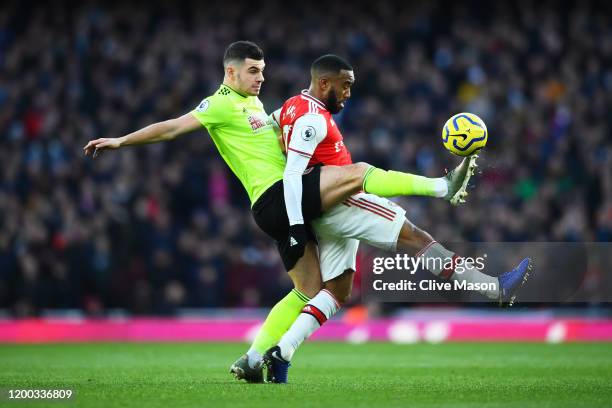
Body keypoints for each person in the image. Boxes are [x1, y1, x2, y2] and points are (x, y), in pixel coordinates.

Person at [82, 41, 478, 383]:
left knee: (309, 290)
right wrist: (121, 141)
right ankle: (442, 187)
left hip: (281, 202)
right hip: (279, 196)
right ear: (230, 72)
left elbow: (278, 131)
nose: (260, 78)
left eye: (262, 71)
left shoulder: (254, 104)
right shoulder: (219, 105)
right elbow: (171, 127)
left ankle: (254, 359)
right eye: (252, 71)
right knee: (356, 174)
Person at [259, 54, 532, 383]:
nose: (348, 93)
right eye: (344, 86)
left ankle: (282, 352)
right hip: (342, 203)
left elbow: (268, 126)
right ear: (323, 83)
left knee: (336, 292)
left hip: (325, 210)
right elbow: (292, 175)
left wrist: (250, 128)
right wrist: (296, 227)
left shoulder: (290, 106)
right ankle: (492, 287)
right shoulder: (312, 119)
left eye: (351, 86)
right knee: (415, 237)